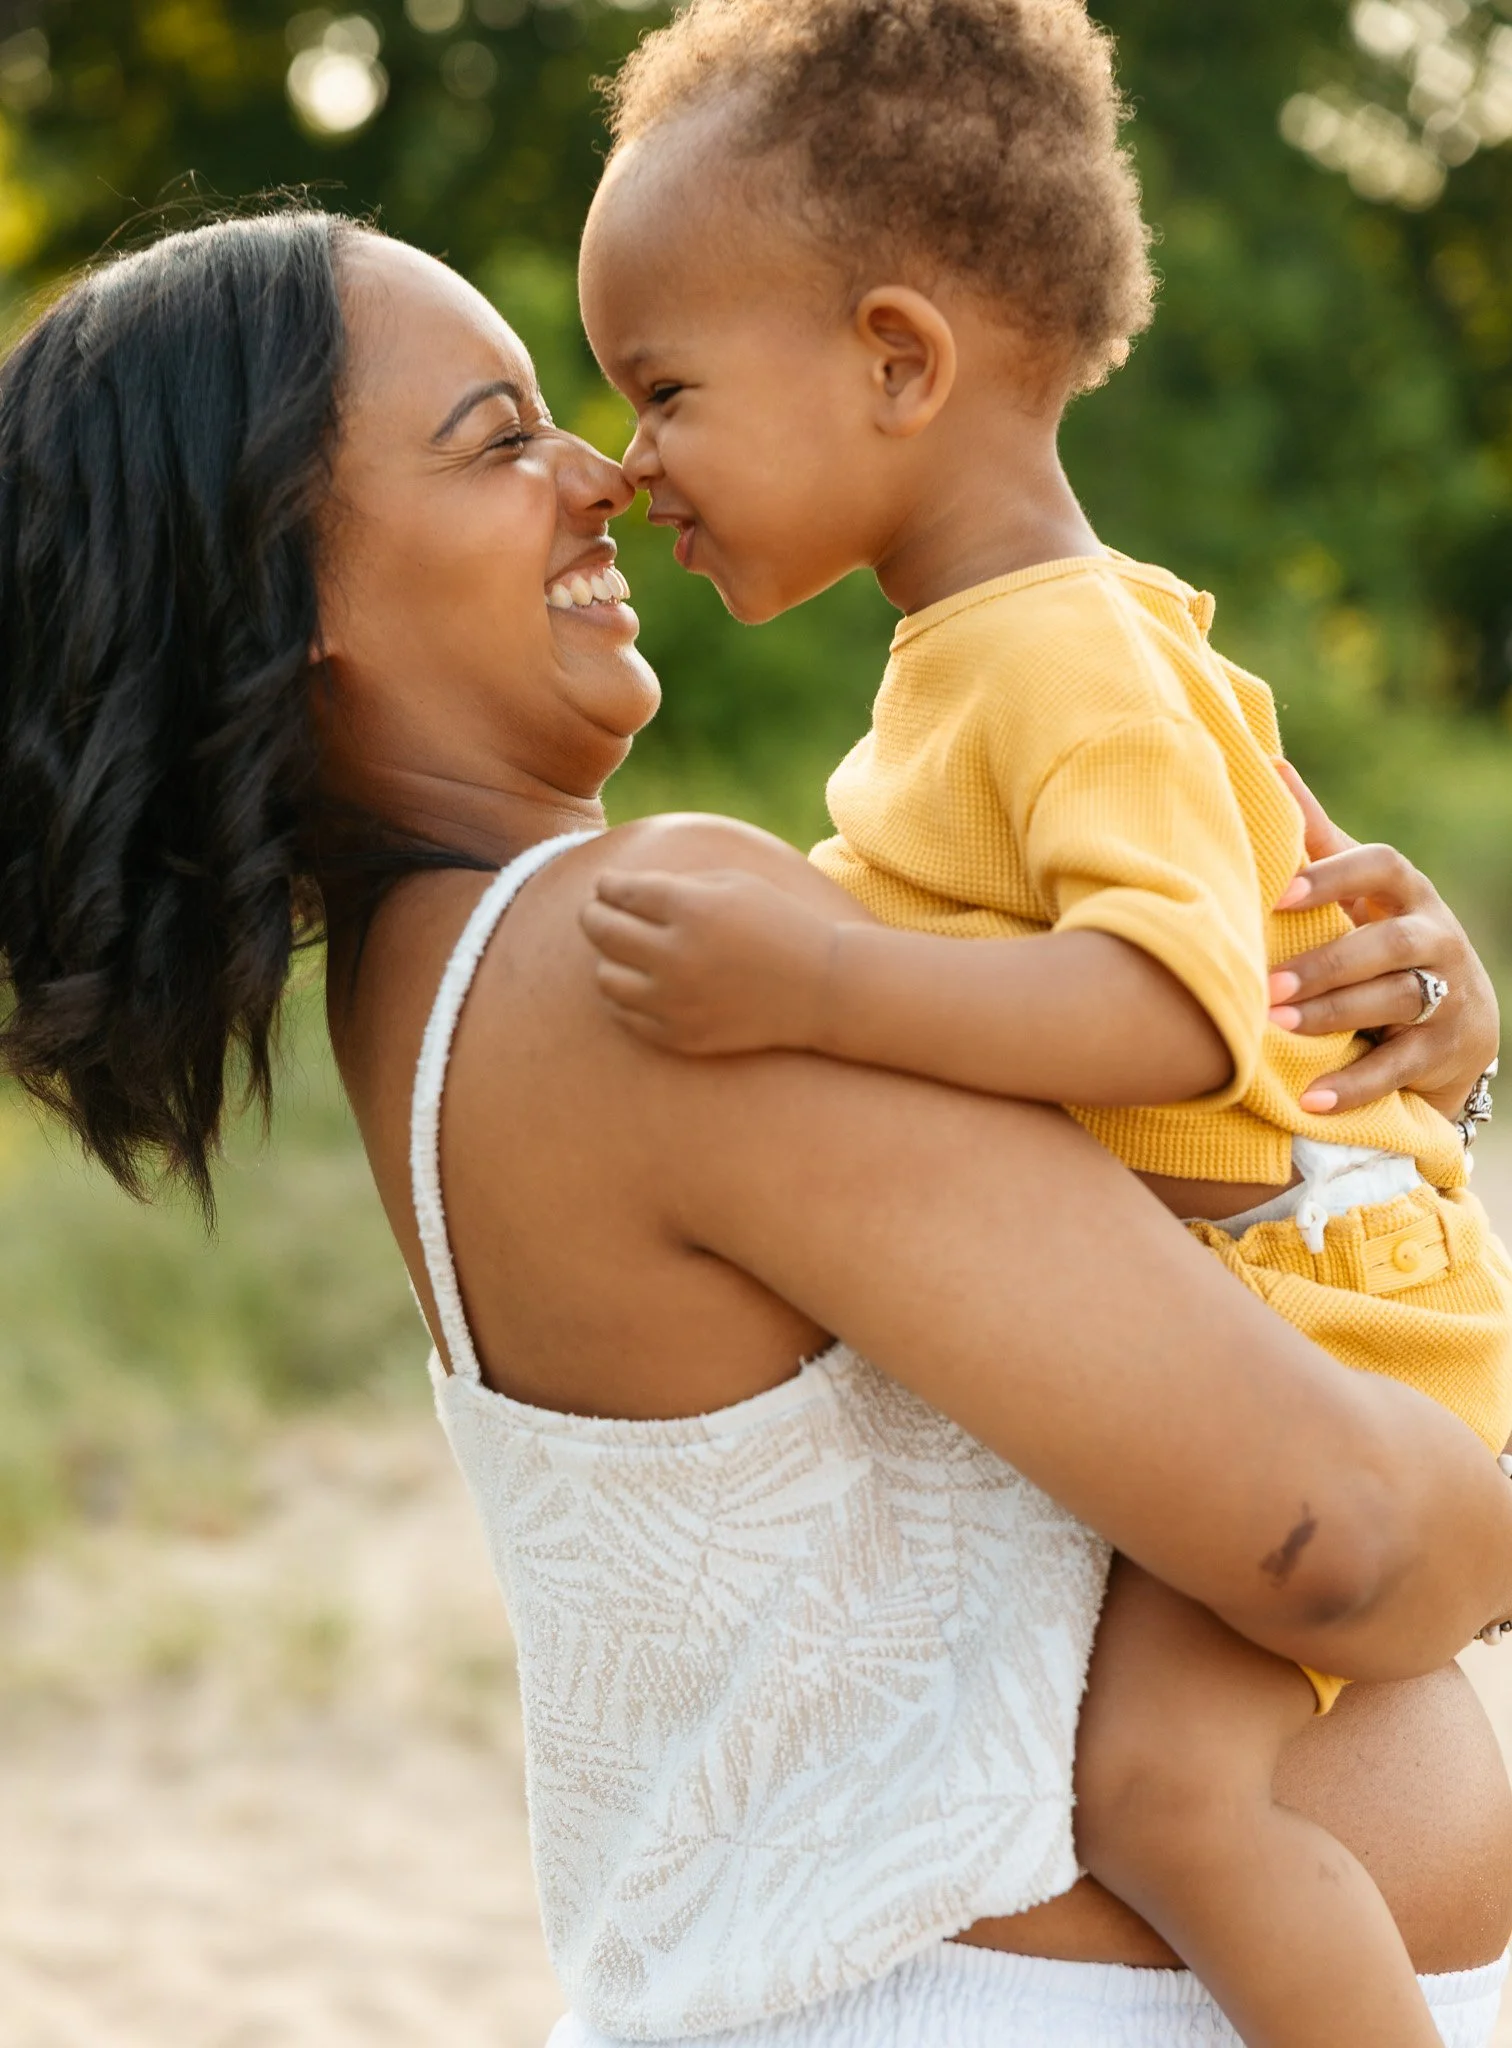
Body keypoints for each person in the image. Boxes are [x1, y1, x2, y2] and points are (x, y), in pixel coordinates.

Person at [0, 212, 1509, 2048]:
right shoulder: (625, 967)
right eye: (496, 441)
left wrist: (1384, 1070)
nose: (604, 478)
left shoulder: (467, 984)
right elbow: (1335, 1537)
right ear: (287, 583)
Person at [573, 4, 1512, 2039]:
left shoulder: (1055, 651)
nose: (631, 464)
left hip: (1320, 1293)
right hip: (1269, 1285)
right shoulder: (975, 658)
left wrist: (816, 979)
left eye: (663, 389)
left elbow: (1174, 1011)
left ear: (900, 360)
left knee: (1169, 1795)